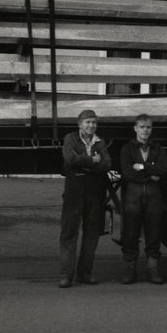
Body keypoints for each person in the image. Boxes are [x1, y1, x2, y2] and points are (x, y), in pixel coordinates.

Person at [58, 109, 111, 288]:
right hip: (74, 192)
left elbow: (106, 163)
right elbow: (69, 159)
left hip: (95, 192)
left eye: (94, 122)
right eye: (88, 122)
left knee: (91, 234)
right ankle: (66, 275)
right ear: (79, 124)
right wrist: (92, 160)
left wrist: (84, 164)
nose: (91, 126)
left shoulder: (100, 142)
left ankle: (85, 273)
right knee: (69, 233)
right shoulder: (70, 139)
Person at [119, 114, 167, 285]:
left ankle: (152, 269)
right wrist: (151, 174)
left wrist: (141, 167)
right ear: (135, 128)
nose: (145, 130)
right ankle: (129, 270)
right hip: (133, 196)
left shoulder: (158, 148)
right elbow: (127, 173)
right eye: (142, 127)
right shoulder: (127, 149)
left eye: (148, 127)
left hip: (154, 197)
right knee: (131, 234)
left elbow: (162, 169)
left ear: (151, 129)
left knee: (154, 234)